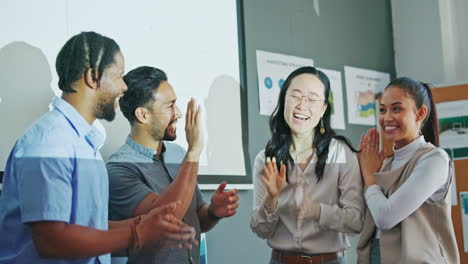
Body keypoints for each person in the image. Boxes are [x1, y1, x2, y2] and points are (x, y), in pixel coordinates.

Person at [0, 32, 196, 264]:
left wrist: (145, 224)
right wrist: (137, 233)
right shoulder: (49, 142)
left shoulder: (85, 144)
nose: (124, 88)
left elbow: (87, 226)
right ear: (93, 77)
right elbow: (52, 240)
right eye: (119, 76)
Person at [106, 66, 239, 264]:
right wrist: (194, 151)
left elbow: (195, 221)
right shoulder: (118, 169)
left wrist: (213, 212)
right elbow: (167, 222)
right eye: (170, 106)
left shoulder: (177, 154)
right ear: (143, 115)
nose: (178, 113)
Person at [250, 66, 365, 264]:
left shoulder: (340, 154)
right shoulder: (266, 158)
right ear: (284, 100)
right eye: (295, 96)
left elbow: (356, 221)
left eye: (312, 99)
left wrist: (317, 211)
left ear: (323, 110)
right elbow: (260, 230)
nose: (302, 105)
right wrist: (271, 199)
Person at [356, 77, 460, 263]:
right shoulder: (386, 163)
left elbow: (386, 217)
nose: (386, 118)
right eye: (382, 109)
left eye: (396, 108)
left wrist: (370, 178)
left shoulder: (434, 159)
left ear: (420, 113)